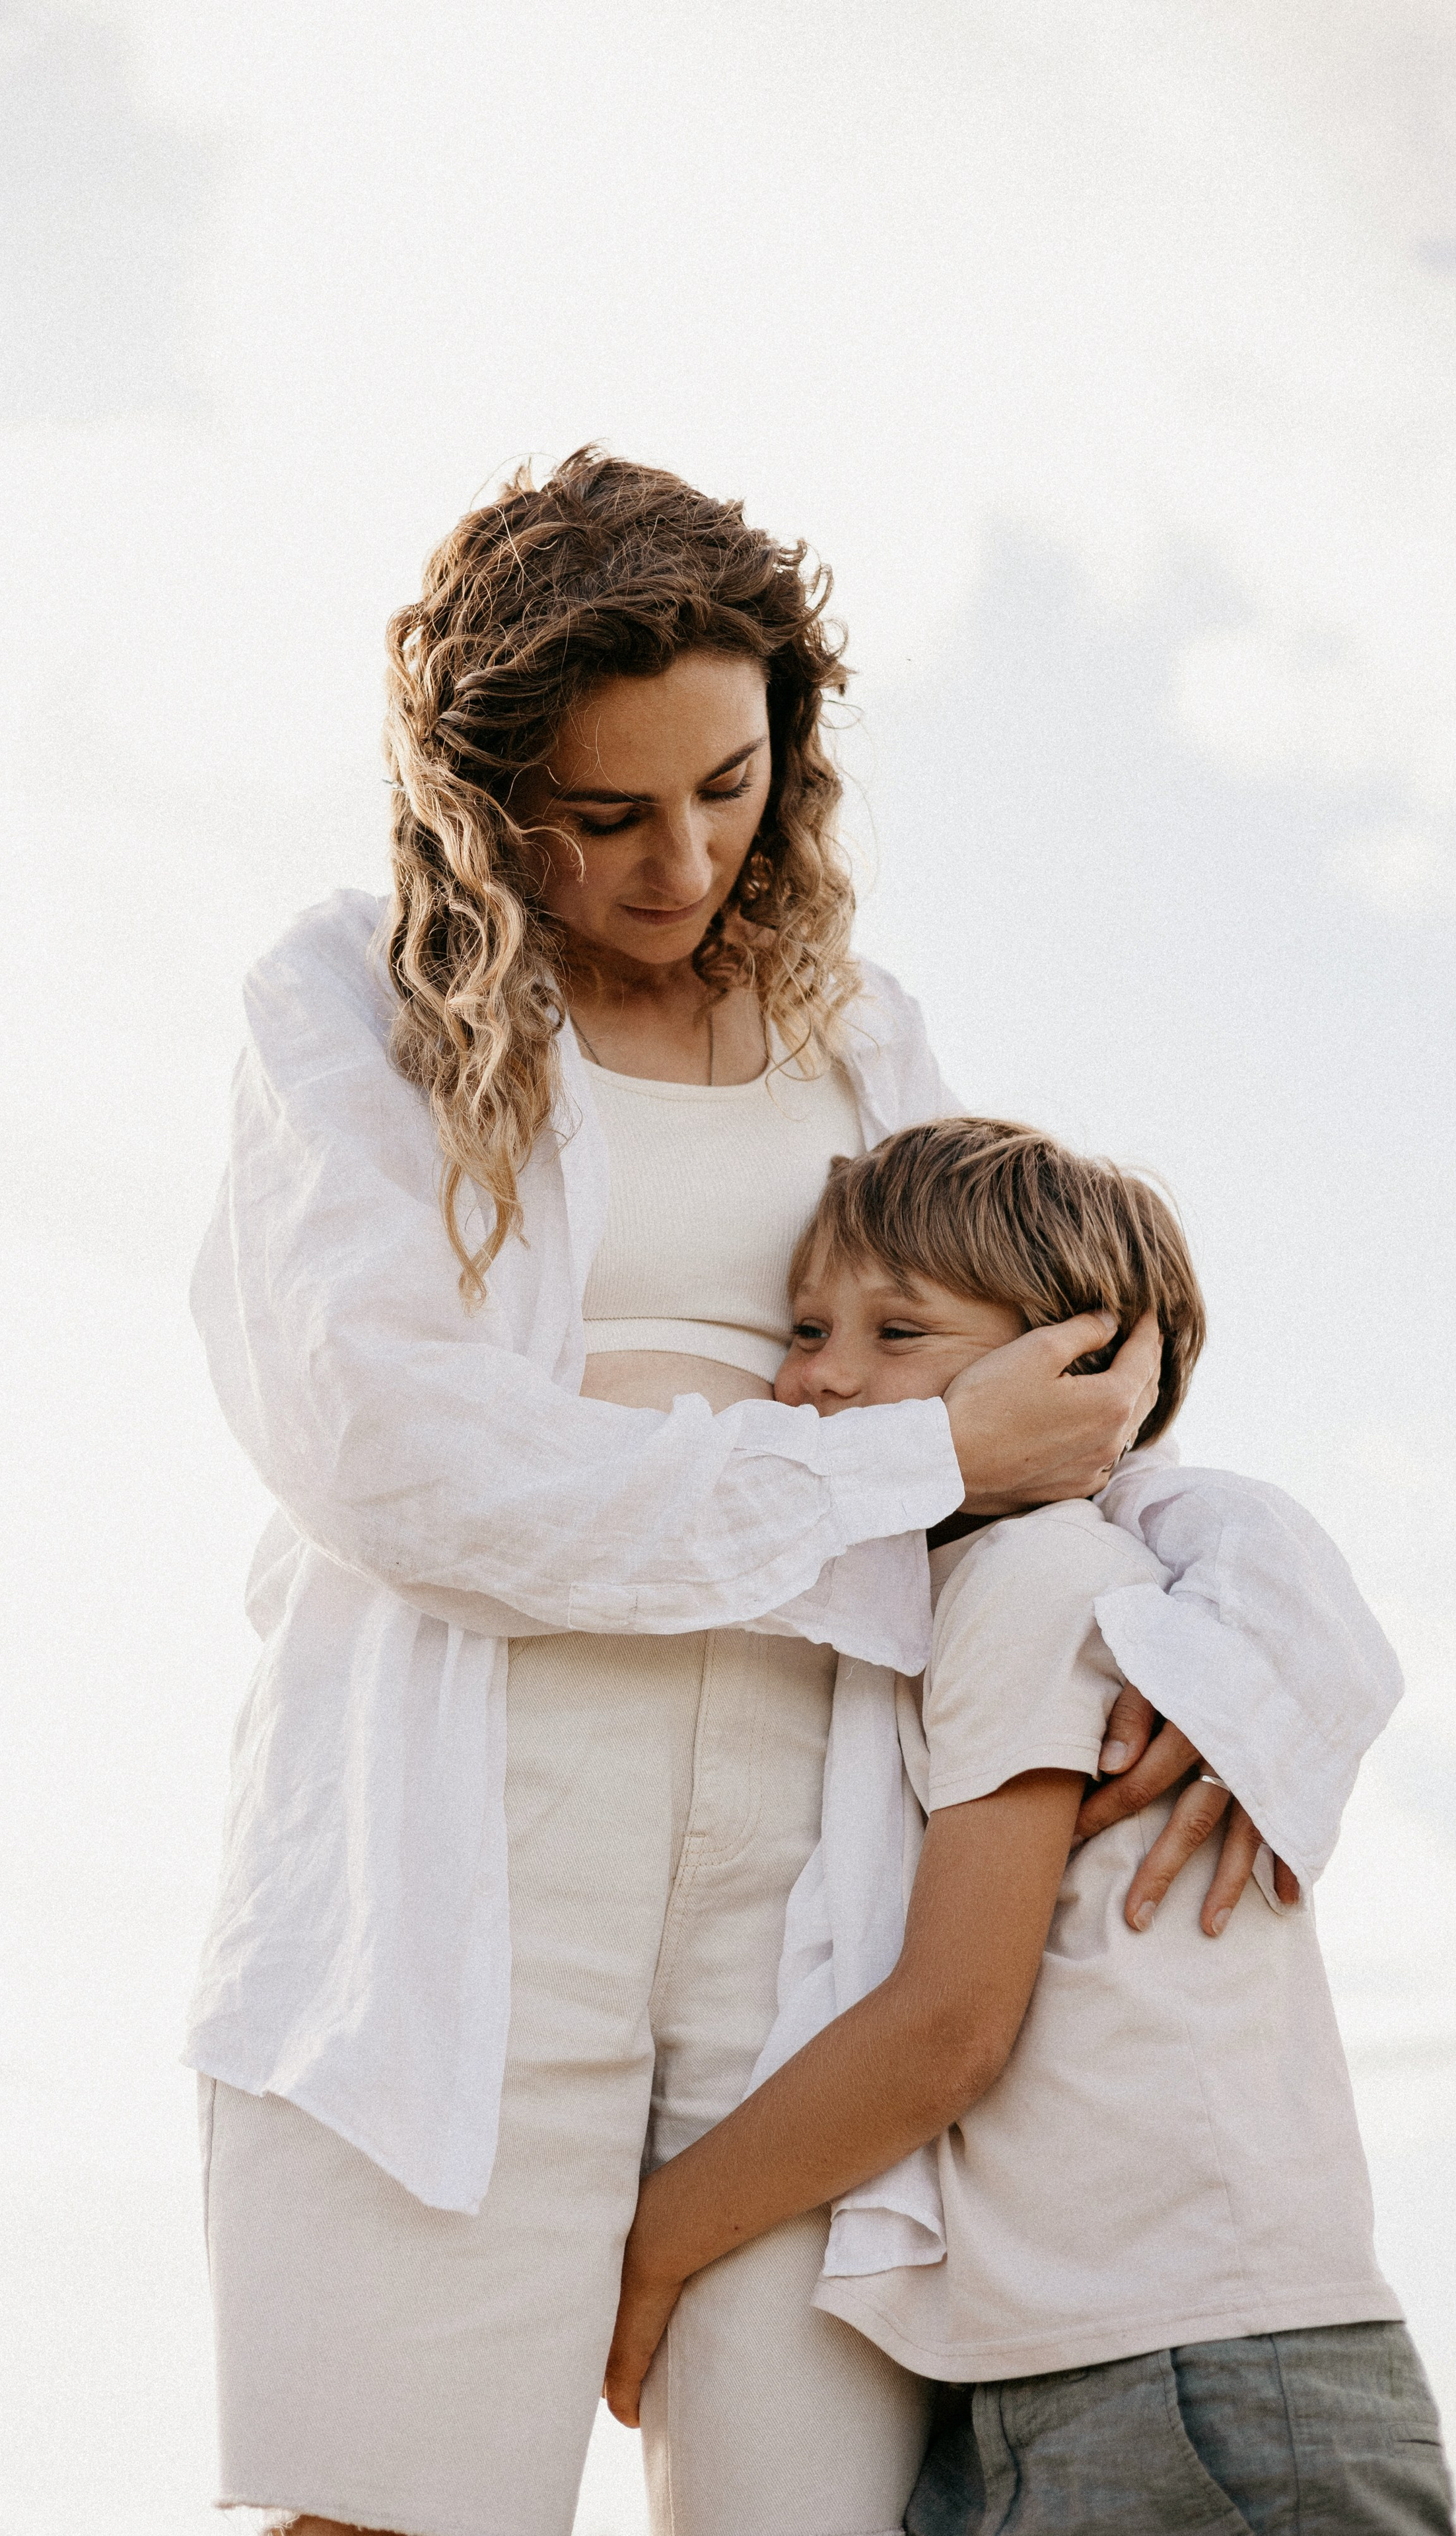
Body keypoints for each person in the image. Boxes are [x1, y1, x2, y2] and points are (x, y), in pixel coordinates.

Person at [187, 449, 1398, 2536]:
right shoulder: (348, 1007)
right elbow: (408, 1460)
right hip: (456, 1902)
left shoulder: (860, 1033)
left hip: (810, 1942)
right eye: (606, 814)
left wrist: (1263, 1642)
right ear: (484, 801)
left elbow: (1077, 1402)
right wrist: (916, 1455)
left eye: (730, 787)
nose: (681, 863)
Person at [604, 1118, 1449, 2535]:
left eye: (898, 1331)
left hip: (1188, 2382)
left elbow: (950, 2024)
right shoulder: (1038, 1590)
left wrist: (653, 2244)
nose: (816, 1375)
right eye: (807, 1325)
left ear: (1083, 1370)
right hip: (1080, 2369)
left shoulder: (1027, 1578)